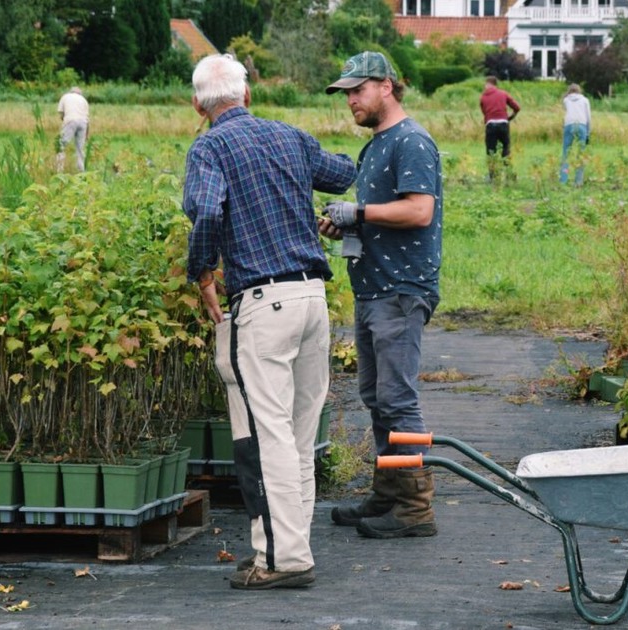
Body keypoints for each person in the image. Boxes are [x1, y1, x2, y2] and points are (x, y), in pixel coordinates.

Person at [182, 54, 357, 590]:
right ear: (247, 95)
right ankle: (283, 548)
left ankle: (285, 560)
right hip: (312, 299)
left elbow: (208, 211)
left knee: (267, 437)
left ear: (197, 105)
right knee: (299, 435)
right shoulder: (291, 137)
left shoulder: (209, 148)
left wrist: (202, 272)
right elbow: (345, 172)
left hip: (263, 306)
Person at [320, 51, 443, 540]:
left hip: (400, 287)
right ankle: (389, 491)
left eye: (357, 90)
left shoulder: (411, 141)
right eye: (347, 93)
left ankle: (415, 507)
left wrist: (361, 213)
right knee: (376, 397)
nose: (350, 100)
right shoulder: (376, 145)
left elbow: (418, 212)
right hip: (372, 286)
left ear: (386, 86)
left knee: (398, 399)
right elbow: (374, 214)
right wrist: (345, 224)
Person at [478, 75, 521, 182]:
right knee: (506, 149)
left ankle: (492, 176)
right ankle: (509, 174)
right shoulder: (503, 93)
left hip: (491, 125)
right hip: (503, 124)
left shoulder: (483, 97)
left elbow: (484, 113)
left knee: (491, 151)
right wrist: (510, 117)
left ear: (488, 84)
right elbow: (517, 107)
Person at [559, 83, 591, 186]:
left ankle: (563, 180)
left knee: (566, 153)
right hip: (581, 125)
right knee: (580, 153)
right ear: (579, 90)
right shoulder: (585, 100)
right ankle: (578, 181)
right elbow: (588, 117)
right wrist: (588, 133)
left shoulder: (566, 100)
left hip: (568, 125)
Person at [56, 86, 90, 172]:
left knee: (61, 145)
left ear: (71, 92)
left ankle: (59, 169)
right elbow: (87, 119)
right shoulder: (83, 100)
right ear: (79, 93)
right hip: (83, 123)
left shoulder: (65, 97)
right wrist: (87, 135)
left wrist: (66, 125)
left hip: (70, 120)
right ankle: (81, 171)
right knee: (80, 148)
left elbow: (61, 114)